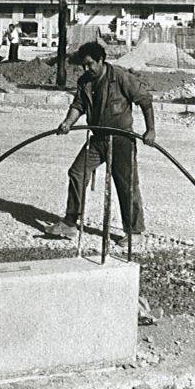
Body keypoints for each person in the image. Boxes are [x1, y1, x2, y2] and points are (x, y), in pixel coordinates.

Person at [51, 41, 156, 242]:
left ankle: (134, 232)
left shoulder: (121, 77)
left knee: (126, 184)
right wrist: (67, 122)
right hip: (97, 138)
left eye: (90, 64)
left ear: (101, 60)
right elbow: (79, 105)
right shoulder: (85, 81)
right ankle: (70, 223)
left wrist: (150, 130)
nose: (86, 68)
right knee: (77, 172)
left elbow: (145, 100)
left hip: (121, 139)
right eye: (83, 65)